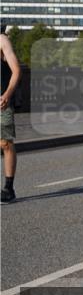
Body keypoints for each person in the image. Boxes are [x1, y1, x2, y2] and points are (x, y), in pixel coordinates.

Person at [1, 32, 22, 204]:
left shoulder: (2, 40)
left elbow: (16, 70)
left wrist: (7, 94)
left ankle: (8, 188)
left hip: (1, 100)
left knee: (5, 143)